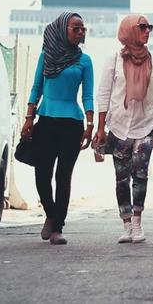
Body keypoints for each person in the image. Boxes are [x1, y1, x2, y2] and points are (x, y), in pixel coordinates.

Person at [22, 12, 94, 245]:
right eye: (76, 28)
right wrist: (28, 118)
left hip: (72, 124)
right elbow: (36, 88)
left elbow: (88, 95)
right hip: (46, 122)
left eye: (83, 28)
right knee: (42, 175)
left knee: (63, 177)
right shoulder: (46, 56)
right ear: (62, 29)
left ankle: (58, 228)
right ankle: (51, 215)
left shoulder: (85, 61)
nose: (81, 32)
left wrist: (90, 125)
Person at [94, 14, 153, 244]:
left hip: (146, 124)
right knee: (121, 177)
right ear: (129, 31)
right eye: (142, 27)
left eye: (149, 27)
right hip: (119, 126)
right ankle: (125, 224)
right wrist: (100, 128)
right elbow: (104, 93)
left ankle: (137, 221)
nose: (147, 31)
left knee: (140, 170)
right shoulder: (113, 60)